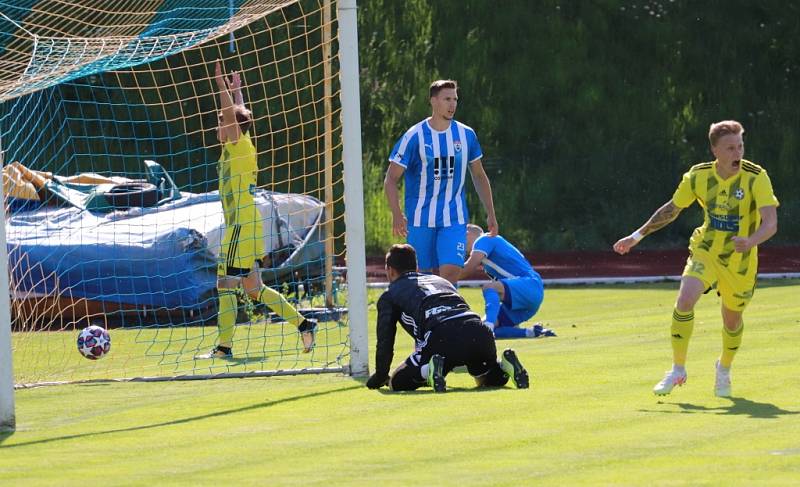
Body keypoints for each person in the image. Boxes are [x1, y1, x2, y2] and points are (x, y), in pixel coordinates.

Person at [613, 120, 779, 397]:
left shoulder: (756, 176)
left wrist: (750, 240)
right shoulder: (698, 176)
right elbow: (672, 209)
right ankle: (678, 369)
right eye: (730, 148)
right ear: (715, 150)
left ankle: (723, 368)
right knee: (685, 300)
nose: (737, 153)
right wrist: (636, 236)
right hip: (706, 250)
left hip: (740, 261)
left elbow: (770, 223)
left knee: (732, 320)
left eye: (740, 146)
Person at [196, 61, 315, 359]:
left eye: (221, 121)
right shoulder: (239, 144)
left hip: (241, 226)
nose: (218, 125)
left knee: (225, 284)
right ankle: (304, 324)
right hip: (248, 224)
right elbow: (240, 117)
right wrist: (238, 93)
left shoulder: (238, 145)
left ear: (230, 126)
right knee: (253, 288)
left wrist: (221, 85)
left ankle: (223, 348)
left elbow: (233, 117)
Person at [365, 244, 529, 392]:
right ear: (416, 267)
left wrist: (380, 376)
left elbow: (385, 340)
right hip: (479, 330)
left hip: (442, 336)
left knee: (397, 381)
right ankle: (503, 366)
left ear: (390, 270)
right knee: (486, 377)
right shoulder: (440, 280)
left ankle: (427, 369)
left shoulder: (390, 295)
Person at [384, 79, 498, 285]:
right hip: (420, 219)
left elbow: (479, 175)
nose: (452, 104)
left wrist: (491, 213)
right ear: (433, 101)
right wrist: (396, 213)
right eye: (447, 99)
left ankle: (449, 314)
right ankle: (427, 316)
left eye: (455, 99)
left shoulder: (466, 135)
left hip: (454, 217)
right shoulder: (414, 136)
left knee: (451, 272)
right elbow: (391, 178)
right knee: (423, 278)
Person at [461, 224, 554, 339]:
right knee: (478, 330)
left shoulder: (484, 239)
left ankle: (488, 327)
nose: (460, 243)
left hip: (529, 285)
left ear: (467, 234)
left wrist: (443, 276)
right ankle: (532, 332)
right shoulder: (488, 252)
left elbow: (468, 267)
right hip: (528, 294)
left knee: (489, 288)